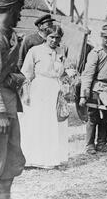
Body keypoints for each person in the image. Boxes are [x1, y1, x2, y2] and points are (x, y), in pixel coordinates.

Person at [0, 0, 27, 199]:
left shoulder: (10, 35)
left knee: (13, 151)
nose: (21, 15)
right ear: (11, 8)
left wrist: (16, 77)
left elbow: (8, 70)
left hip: (9, 102)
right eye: (20, 9)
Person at [19, 25, 70, 168]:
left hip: (55, 90)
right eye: (51, 37)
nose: (54, 40)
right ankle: (31, 158)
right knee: (37, 123)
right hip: (39, 90)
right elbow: (26, 74)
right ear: (45, 36)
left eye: (57, 37)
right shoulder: (35, 51)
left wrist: (66, 83)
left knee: (54, 124)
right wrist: (26, 93)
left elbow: (63, 72)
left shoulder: (61, 51)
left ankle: (50, 159)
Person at [79, 24, 107, 154]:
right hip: (96, 89)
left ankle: (102, 143)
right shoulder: (96, 53)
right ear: (101, 37)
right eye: (106, 37)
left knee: (106, 117)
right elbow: (87, 75)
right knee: (93, 118)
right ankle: (89, 145)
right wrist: (84, 95)